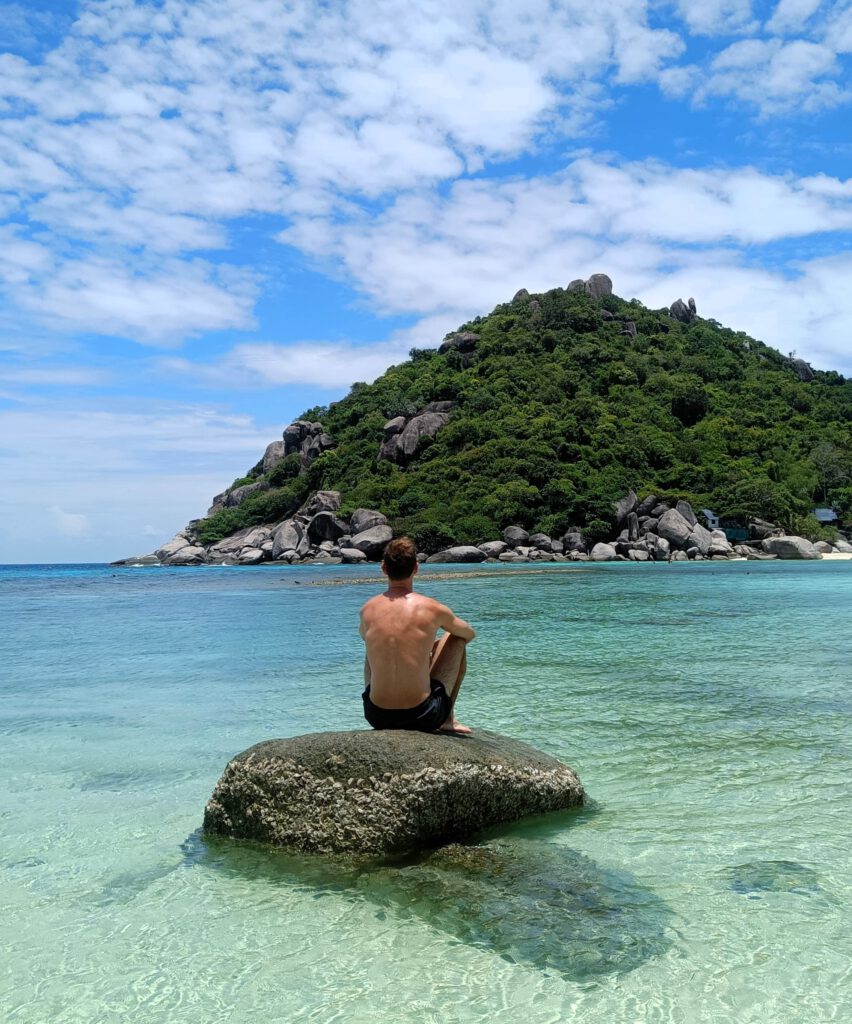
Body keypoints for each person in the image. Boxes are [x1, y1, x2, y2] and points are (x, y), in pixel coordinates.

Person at [359, 536, 476, 735]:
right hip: (423, 716)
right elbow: (469, 634)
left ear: (383, 568)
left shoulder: (367, 609)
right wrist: (432, 644)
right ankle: (448, 719)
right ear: (416, 568)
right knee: (456, 639)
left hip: (376, 716)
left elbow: (365, 639)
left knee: (374, 644)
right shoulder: (431, 608)